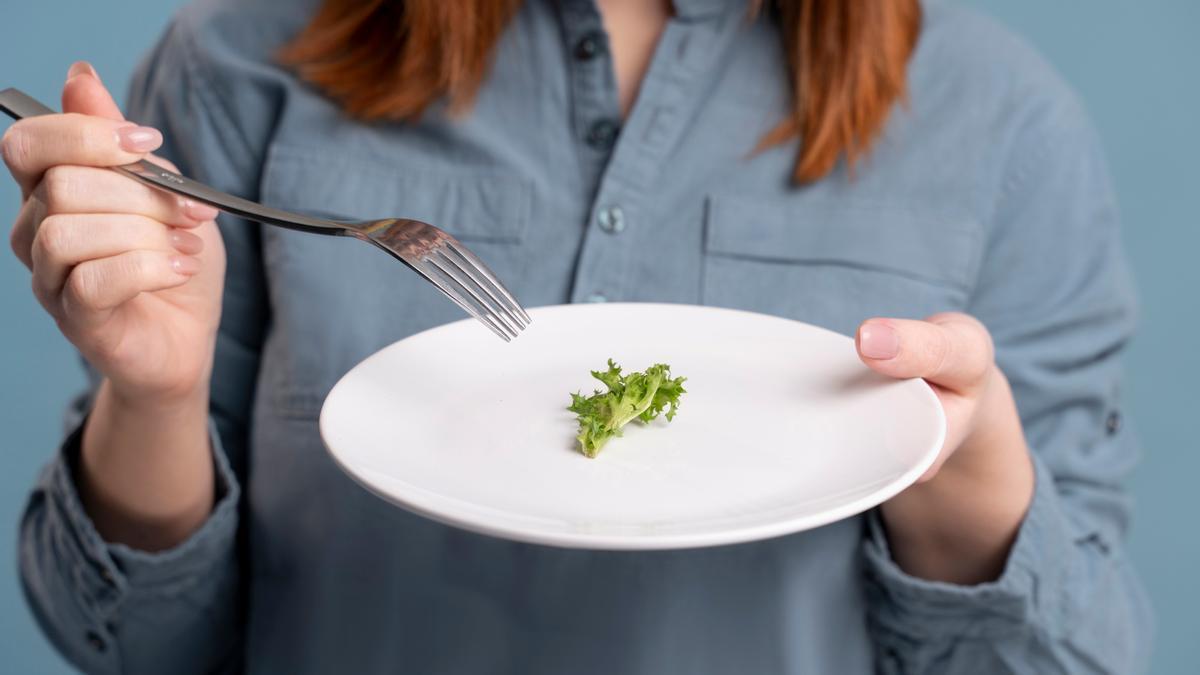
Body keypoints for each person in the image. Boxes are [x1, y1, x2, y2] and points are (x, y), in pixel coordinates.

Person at [5, 0, 1152, 672]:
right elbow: (132, 647)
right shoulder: (238, 62)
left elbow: (1079, 658)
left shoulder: (999, 116)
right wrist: (149, 395)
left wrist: (968, 483)